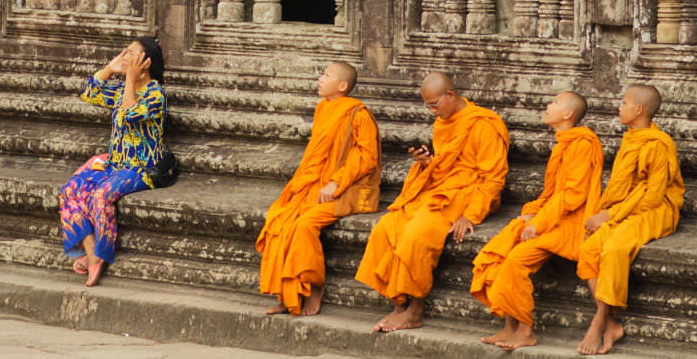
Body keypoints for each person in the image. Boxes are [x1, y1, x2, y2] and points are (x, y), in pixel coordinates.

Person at [355, 71, 509, 333]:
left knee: (417, 234)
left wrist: (470, 215)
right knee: (386, 226)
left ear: (450, 94)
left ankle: (415, 309)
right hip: (440, 190)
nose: (431, 111)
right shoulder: (444, 120)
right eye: (427, 105)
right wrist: (427, 163)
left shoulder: (483, 124)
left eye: (434, 104)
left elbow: (493, 178)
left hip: (467, 194)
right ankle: (398, 304)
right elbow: (446, 166)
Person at [470, 91, 603, 351]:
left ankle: (526, 331)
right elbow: (552, 192)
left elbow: (574, 195)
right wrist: (530, 212)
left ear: (567, 114)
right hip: (554, 216)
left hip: (572, 222)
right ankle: (509, 327)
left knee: (517, 259)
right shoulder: (564, 141)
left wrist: (538, 224)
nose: (547, 105)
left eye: (553, 103)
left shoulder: (583, 143)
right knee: (501, 248)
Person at [256, 62, 381, 316]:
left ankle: (313, 286)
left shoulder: (358, 114)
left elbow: (367, 158)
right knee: (279, 220)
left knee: (304, 226)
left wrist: (336, 182)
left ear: (342, 86)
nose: (320, 79)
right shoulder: (323, 108)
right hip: (317, 184)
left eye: (326, 75)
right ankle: (286, 293)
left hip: (346, 190)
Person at [576, 84, 684, 355]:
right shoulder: (632, 136)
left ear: (639, 109)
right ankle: (611, 322)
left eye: (624, 103)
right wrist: (606, 210)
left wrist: (610, 215)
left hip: (656, 210)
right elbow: (622, 185)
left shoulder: (659, 145)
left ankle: (599, 321)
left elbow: (652, 197)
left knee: (614, 249)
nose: (619, 108)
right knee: (589, 249)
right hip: (625, 207)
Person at [58, 37, 166, 287]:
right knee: (71, 189)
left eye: (131, 54)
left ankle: (99, 256)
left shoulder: (155, 95)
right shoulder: (120, 90)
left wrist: (130, 79)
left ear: (145, 63)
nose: (124, 57)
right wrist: (109, 69)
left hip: (141, 169)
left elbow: (129, 114)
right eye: (124, 53)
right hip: (115, 164)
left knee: (100, 195)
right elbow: (89, 93)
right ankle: (91, 250)